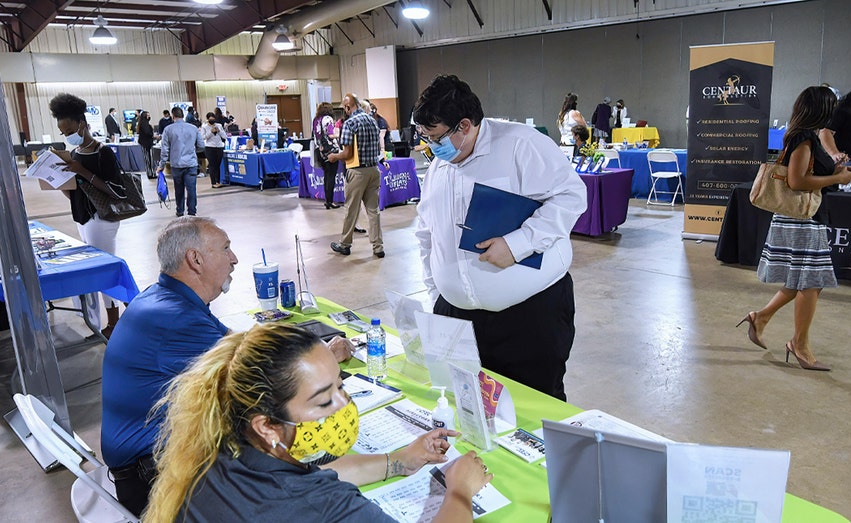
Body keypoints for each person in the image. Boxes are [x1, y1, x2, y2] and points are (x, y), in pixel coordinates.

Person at [101, 218, 356, 517]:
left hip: (151, 460)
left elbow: (237, 343)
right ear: (195, 260)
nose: (234, 258)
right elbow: (258, 370)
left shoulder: (165, 300)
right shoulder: (176, 319)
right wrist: (324, 357)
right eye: (225, 248)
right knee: (285, 440)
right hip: (152, 475)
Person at [144, 323, 491, 523]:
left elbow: (324, 473)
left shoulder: (221, 452)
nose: (345, 405)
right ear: (267, 426)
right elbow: (313, 491)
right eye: (324, 400)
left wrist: (399, 461)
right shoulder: (322, 507)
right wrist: (459, 489)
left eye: (341, 386)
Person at [412, 75, 587, 400]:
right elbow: (426, 231)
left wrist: (519, 244)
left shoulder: (521, 144)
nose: (430, 147)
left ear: (464, 125)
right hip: (458, 318)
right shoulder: (441, 165)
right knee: (471, 410)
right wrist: (438, 293)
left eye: (435, 138)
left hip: (528, 317)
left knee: (534, 410)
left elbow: (571, 196)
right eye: (424, 138)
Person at [738, 86, 851, 371]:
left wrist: (835, 168)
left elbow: (806, 174)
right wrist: (837, 179)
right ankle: (799, 344)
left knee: (800, 282)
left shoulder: (805, 136)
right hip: (803, 220)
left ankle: (761, 318)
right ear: (822, 110)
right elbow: (797, 181)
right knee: (811, 282)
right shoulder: (804, 138)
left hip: (806, 217)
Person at [49, 93, 128, 338]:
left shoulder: (102, 152)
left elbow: (116, 190)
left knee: (104, 270)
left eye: (70, 130)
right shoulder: (75, 153)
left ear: (82, 124)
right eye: (63, 133)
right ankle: (102, 319)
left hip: (101, 219)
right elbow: (76, 193)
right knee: (94, 272)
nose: (67, 136)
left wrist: (80, 171)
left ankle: (114, 322)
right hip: (82, 217)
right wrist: (58, 180)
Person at [327, 93, 385, 259]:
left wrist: (333, 156)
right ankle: (378, 247)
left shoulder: (350, 123)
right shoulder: (372, 121)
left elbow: (347, 153)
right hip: (374, 170)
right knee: (373, 211)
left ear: (347, 107)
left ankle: (345, 244)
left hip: (357, 172)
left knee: (351, 209)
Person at [158, 107, 204, 216]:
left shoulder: (168, 129)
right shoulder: (193, 128)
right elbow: (201, 145)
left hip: (176, 164)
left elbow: (164, 150)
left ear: (173, 116)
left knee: (179, 189)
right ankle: (192, 212)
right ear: (183, 115)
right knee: (191, 189)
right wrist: (192, 151)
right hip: (191, 163)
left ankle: (180, 211)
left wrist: (162, 165)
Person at [313, 102, 342, 209]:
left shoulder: (316, 120)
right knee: (331, 176)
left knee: (326, 176)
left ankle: (327, 200)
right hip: (331, 151)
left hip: (320, 151)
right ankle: (330, 201)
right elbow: (330, 134)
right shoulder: (328, 119)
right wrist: (338, 134)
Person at [200, 112, 228, 188]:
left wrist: (219, 131)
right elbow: (203, 137)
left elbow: (225, 136)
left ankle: (218, 181)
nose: (212, 120)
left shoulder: (218, 125)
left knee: (218, 165)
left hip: (219, 146)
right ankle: (213, 182)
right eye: (211, 119)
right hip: (209, 147)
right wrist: (210, 132)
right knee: (212, 165)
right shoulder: (204, 127)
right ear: (208, 119)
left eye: (213, 119)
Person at [136, 110, 157, 179]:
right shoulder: (145, 124)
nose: (149, 117)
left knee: (147, 159)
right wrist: (154, 136)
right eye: (148, 115)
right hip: (148, 144)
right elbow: (148, 133)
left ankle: (150, 173)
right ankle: (152, 173)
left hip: (144, 144)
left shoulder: (141, 124)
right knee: (150, 159)